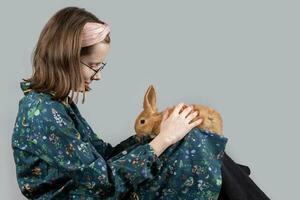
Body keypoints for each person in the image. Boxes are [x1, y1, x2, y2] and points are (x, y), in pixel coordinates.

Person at [11, 6, 205, 199]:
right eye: (94, 66)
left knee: (188, 143)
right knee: (192, 152)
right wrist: (163, 140)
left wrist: (157, 133)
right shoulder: (42, 112)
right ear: (66, 59)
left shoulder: (57, 104)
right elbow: (105, 182)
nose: (99, 76)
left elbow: (105, 155)